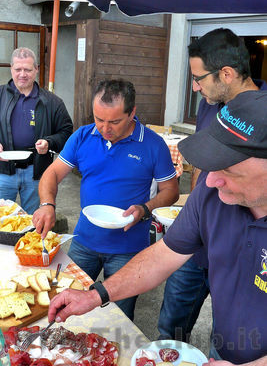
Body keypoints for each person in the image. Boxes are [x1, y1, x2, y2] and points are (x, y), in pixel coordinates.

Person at [48, 91, 267, 365]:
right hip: (222, 352)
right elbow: (161, 256)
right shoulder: (210, 196)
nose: (210, 181)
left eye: (229, 171)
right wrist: (96, 295)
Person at [33, 79, 179, 320]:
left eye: (114, 121)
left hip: (128, 249)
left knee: (117, 318)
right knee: (66, 307)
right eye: (99, 119)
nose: (104, 128)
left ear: (132, 112)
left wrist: (146, 208)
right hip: (84, 241)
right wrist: (47, 204)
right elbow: (52, 173)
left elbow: (171, 191)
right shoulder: (83, 136)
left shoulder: (153, 144)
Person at [158, 28, 267, 342]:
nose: (194, 87)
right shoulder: (209, 103)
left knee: (229, 337)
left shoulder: (263, 113)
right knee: (170, 326)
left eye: (199, 77)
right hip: (195, 238)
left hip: (235, 251)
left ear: (227, 74)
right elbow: (206, 163)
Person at [0, 47, 73, 214]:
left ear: (36, 69)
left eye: (27, 69)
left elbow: (67, 131)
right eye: (18, 69)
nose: (22, 74)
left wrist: (50, 142)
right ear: (11, 69)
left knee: (34, 221)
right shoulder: (0, 94)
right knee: (1, 221)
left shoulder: (53, 102)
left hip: (36, 171)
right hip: (2, 171)